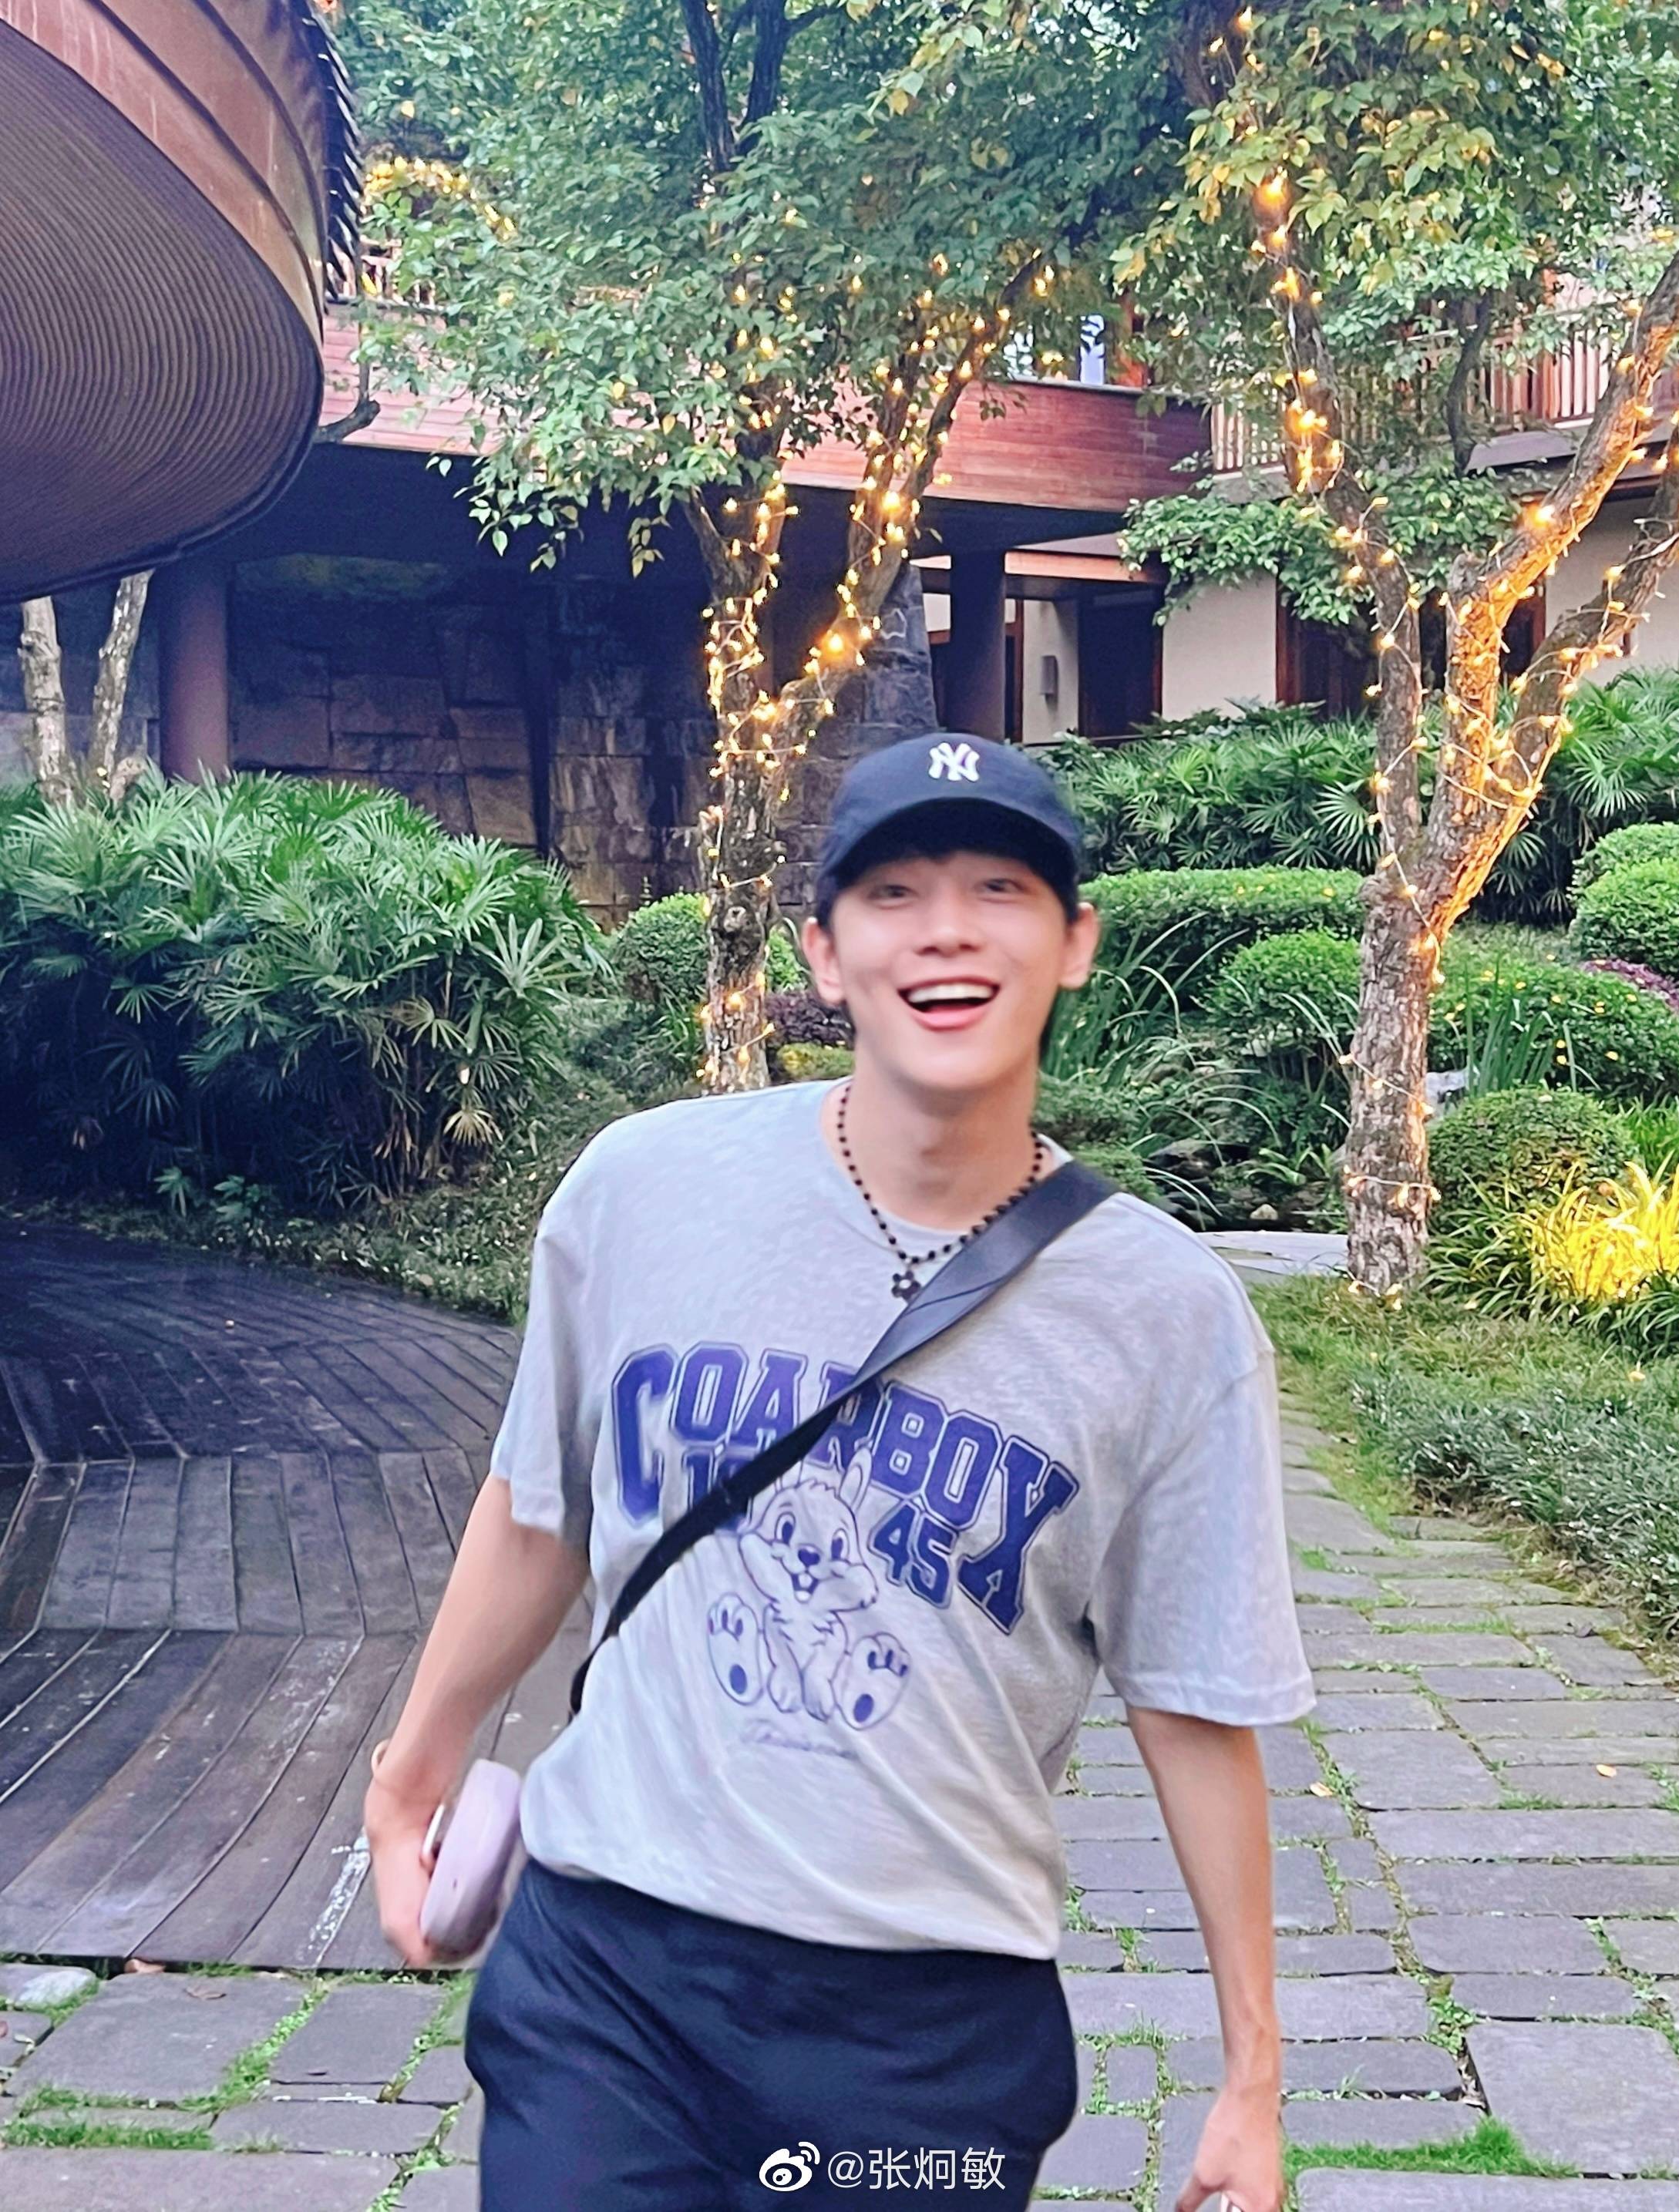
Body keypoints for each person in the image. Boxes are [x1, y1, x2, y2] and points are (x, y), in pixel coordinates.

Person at [365, 730, 1311, 2212]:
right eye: (894, 892)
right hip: (610, 1972)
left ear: (1074, 943)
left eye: (999, 889)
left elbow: (1193, 1701)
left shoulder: (1169, 1317)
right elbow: (540, 1509)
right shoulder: (641, 1189)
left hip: (925, 2032)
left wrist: (1252, 2078)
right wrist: (411, 1770)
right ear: (822, 952)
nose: (947, 930)